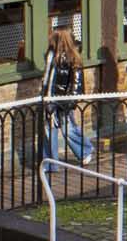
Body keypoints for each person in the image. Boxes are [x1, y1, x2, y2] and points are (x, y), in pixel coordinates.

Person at [39, 26, 91, 166]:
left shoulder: (72, 57)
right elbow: (48, 78)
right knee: (49, 130)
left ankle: (85, 151)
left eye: (54, 37)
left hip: (63, 100)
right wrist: (45, 97)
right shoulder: (51, 55)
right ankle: (50, 162)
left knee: (68, 130)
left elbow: (76, 83)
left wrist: (68, 102)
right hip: (50, 98)